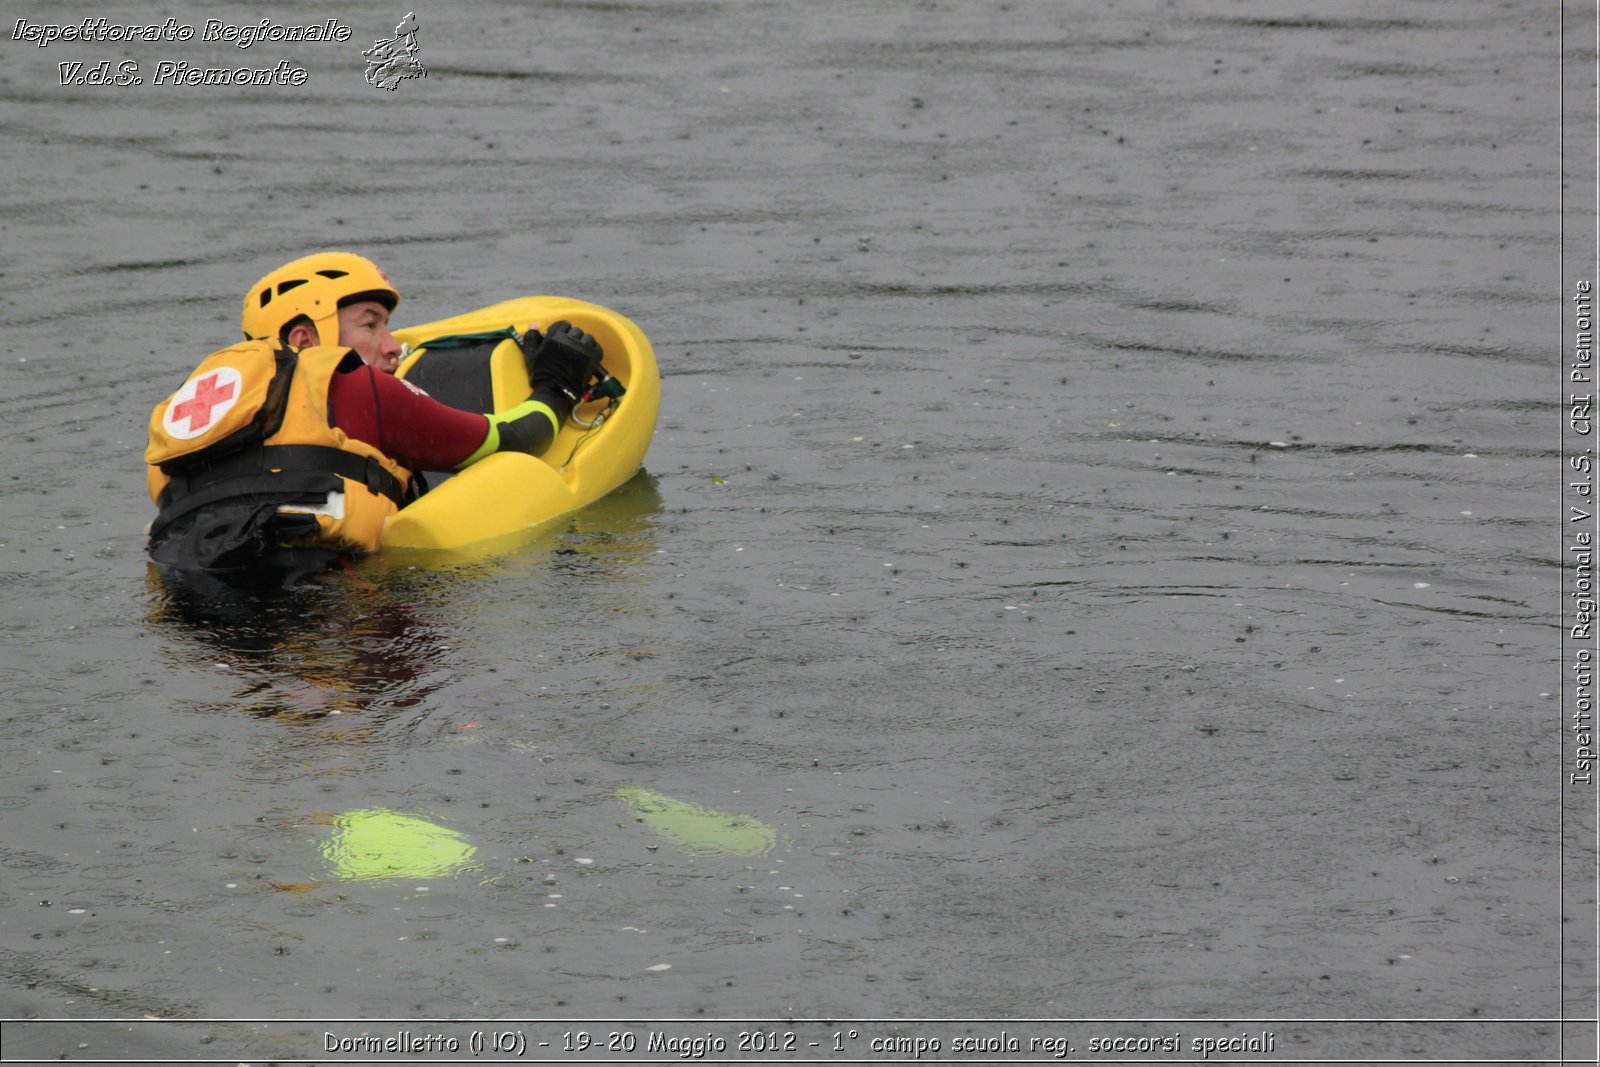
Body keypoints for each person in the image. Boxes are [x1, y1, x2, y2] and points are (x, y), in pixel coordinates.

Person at [145, 251, 603, 577]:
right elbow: (515, 439)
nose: (393, 346)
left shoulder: (186, 424)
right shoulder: (352, 386)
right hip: (317, 604)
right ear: (305, 340)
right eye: (371, 324)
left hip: (192, 617)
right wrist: (557, 384)